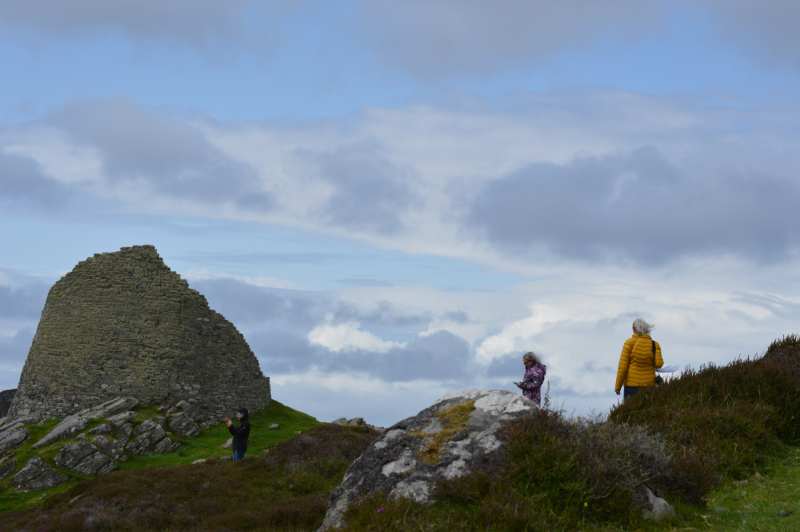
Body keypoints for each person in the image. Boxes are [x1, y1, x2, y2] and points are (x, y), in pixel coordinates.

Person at [615, 318, 663, 401]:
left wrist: (618, 387)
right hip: (649, 385)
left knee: (630, 412)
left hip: (631, 386)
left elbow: (622, 368)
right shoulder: (655, 344)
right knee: (648, 412)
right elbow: (658, 364)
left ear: (634, 329)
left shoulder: (629, 343)